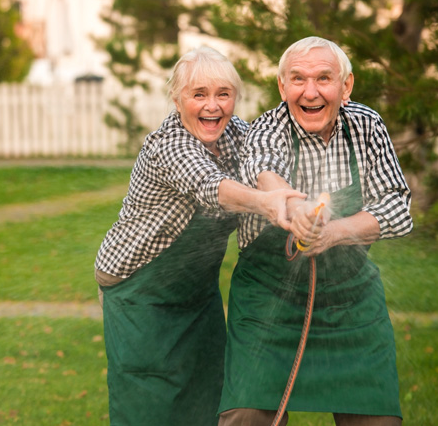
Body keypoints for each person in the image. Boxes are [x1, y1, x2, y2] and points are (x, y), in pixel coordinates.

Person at [95, 46, 305, 426]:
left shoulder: (241, 135)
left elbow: (267, 159)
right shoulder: (168, 144)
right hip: (139, 292)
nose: (213, 106)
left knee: (208, 393)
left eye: (223, 94)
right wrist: (266, 202)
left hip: (197, 290)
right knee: (149, 401)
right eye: (199, 94)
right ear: (178, 100)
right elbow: (212, 186)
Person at [218, 37, 414, 426]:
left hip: (351, 304)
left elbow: (398, 205)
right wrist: (294, 208)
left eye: (324, 78)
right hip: (268, 306)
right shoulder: (266, 130)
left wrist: (336, 230)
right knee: (247, 416)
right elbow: (265, 172)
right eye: (298, 79)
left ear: (346, 86)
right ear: (282, 86)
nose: (310, 92)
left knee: (377, 422)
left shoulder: (366, 126)